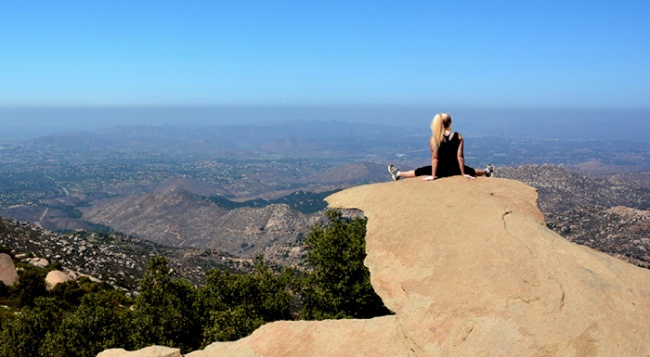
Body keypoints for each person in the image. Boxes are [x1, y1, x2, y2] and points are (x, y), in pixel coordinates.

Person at [388, 113, 494, 181]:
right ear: (449, 122)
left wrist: (433, 176)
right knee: (471, 170)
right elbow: (460, 157)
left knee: (419, 171)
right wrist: (462, 174)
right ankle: (487, 171)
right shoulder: (458, 136)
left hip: (440, 170)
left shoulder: (434, 138)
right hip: (455, 169)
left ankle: (398, 173)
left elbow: (435, 159)